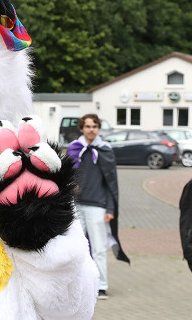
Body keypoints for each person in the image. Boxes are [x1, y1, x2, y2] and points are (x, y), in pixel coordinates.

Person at [66, 113, 129, 300]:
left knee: (100, 248)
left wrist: (110, 209)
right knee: (77, 248)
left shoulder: (104, 150)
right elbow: (66, 176)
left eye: (94, 126)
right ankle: (79, 286)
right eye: (87, 126)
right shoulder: (73, 149)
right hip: (76, 206)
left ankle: (101, 285)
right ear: (81, 128)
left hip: (98, 207)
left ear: (98, 128)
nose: (91, 130)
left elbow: (111, 183)